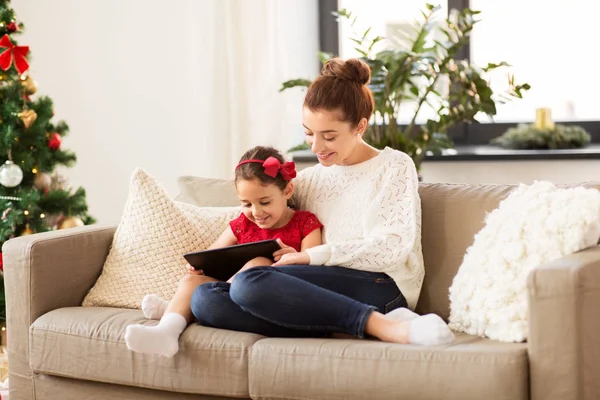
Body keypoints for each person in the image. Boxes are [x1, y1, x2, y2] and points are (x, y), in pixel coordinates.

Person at [189, 58, 454, 346]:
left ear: (360, 126)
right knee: (205, 300)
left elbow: (391, 248)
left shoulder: (394, 166)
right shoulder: (310, 180)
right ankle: (344, 326)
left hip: (381, 286)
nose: (316, 147)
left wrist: (309, 256)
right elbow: (261, 210)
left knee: (249, 283)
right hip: (315, 289)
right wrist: (212, 260)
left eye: (328, 136)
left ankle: (383, 325)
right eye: (308, 134)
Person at [124, 146, 324, 357]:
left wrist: (294, 256)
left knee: (258, 262)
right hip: (228, 291)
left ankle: (183, 310)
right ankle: (167, 330)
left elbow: (315, 269)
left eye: (265, 202)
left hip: (270, 297)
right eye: (246, 204)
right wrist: (198, 267)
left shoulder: (305, 222)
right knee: (189, 283)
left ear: (287, 191)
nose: (256, 212)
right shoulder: (242, 224)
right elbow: (210, 255)